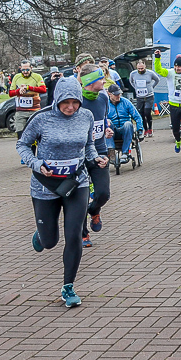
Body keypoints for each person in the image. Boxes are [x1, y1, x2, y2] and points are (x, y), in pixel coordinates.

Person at [18, 77, 108, 308]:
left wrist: (95, 158)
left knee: (74, 234)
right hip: (45, 185)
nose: (71, 107)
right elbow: (22, 145)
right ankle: (42, 235)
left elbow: (88, 145)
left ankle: (68, 287)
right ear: (57, 99)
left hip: (76, 182)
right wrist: (36, 164)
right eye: (66, 102)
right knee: (50, 242)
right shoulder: (41, 118)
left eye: (75, 102)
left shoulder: (86, 116)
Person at [78, 66, 111, 248]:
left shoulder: (104, 98)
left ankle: (94, 210)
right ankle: (83, 234)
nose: (104, 81)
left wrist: (107, 129)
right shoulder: (77, 102)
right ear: (90, 81)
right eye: (101, 78)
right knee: (81, 196)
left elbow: (103, 120)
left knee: (103, 193)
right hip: (80, 155)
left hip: (100, 151)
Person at [154, 51, 181, 160]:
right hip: (173, 105)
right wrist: (157, 58)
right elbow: (158, 70)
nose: (177, 69)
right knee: (175, 129)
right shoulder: (170, 73)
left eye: (179, 67)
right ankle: (178, 140)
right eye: (176, 66)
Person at [9, 60, 47, 141]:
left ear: (31, 68)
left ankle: (33, 148)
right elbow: (10, 93)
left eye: (27, 70)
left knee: (35, 136)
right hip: (20, 111)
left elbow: (43, 89)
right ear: (20, 68)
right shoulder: (16, 77)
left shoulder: (37, 76)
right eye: (23, 70)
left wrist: (29, 87)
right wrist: (18, 91)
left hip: (34, 111)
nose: (25, 72)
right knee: (21, 136)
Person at [105, 84, 143, 164]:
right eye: (116, 94)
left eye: (119, 94)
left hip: (125, 130)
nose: (118, 96)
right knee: (108, 122)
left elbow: (137, 117)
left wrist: (140, 130)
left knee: (128, 124)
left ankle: (125, 153)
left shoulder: (126, 102)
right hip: (112, 130)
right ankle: (111, 151)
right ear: (109, 94)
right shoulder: (105, 104)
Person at [129, 59, 160, 138]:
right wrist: (136, 88)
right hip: (139, 96)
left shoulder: (150, 73)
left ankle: (150, 128)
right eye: (139, 68)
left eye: (142, 68)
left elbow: (157, 80)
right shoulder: (133, 74)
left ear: (145, 66)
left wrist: (152, 87)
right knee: (141, 113)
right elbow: (131, 81)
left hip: (149, 96)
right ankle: (145, 129)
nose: (140, 70)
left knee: (147, 112)